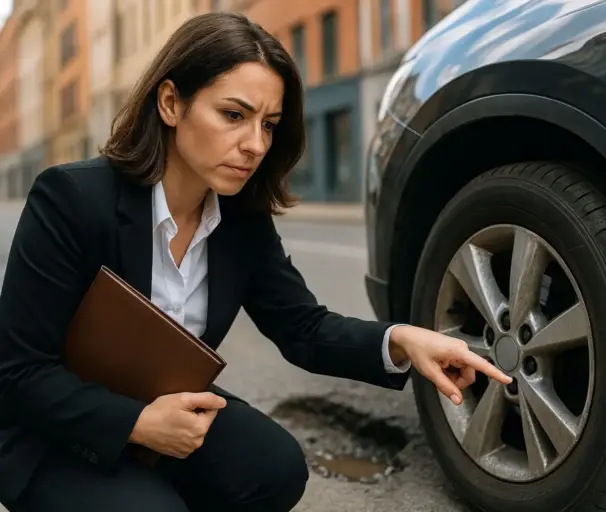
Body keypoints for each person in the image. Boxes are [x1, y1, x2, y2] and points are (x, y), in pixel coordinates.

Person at [0, 12, 512, 512]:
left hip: (166, 413)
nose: (254, 145)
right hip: (51, 431)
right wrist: (136, 424)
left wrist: (401, 341)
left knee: (275, 468)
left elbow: (303, 328)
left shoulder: (240, 218)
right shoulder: (72, 198)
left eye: (268, 125)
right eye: (233, 115)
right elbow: (17, 372)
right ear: (171, 103)